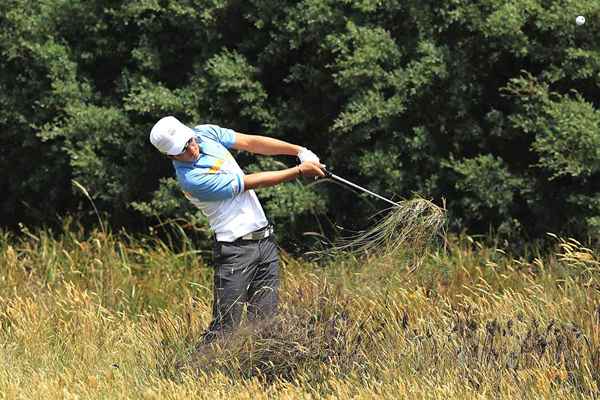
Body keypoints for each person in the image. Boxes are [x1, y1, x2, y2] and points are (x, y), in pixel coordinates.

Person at [149, 116, 324, 344]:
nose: (191, 149)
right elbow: (250, 182)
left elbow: (251, 143)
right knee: (225, 327)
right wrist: (300, 171)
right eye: (181, 150)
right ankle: (191, 375)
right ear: (170, 155)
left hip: (265, 242)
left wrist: (300, 151)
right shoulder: (192, 179)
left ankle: (256, 376)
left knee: (264, 322)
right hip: (235, 251)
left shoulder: (205, 133)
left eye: (189, 141)